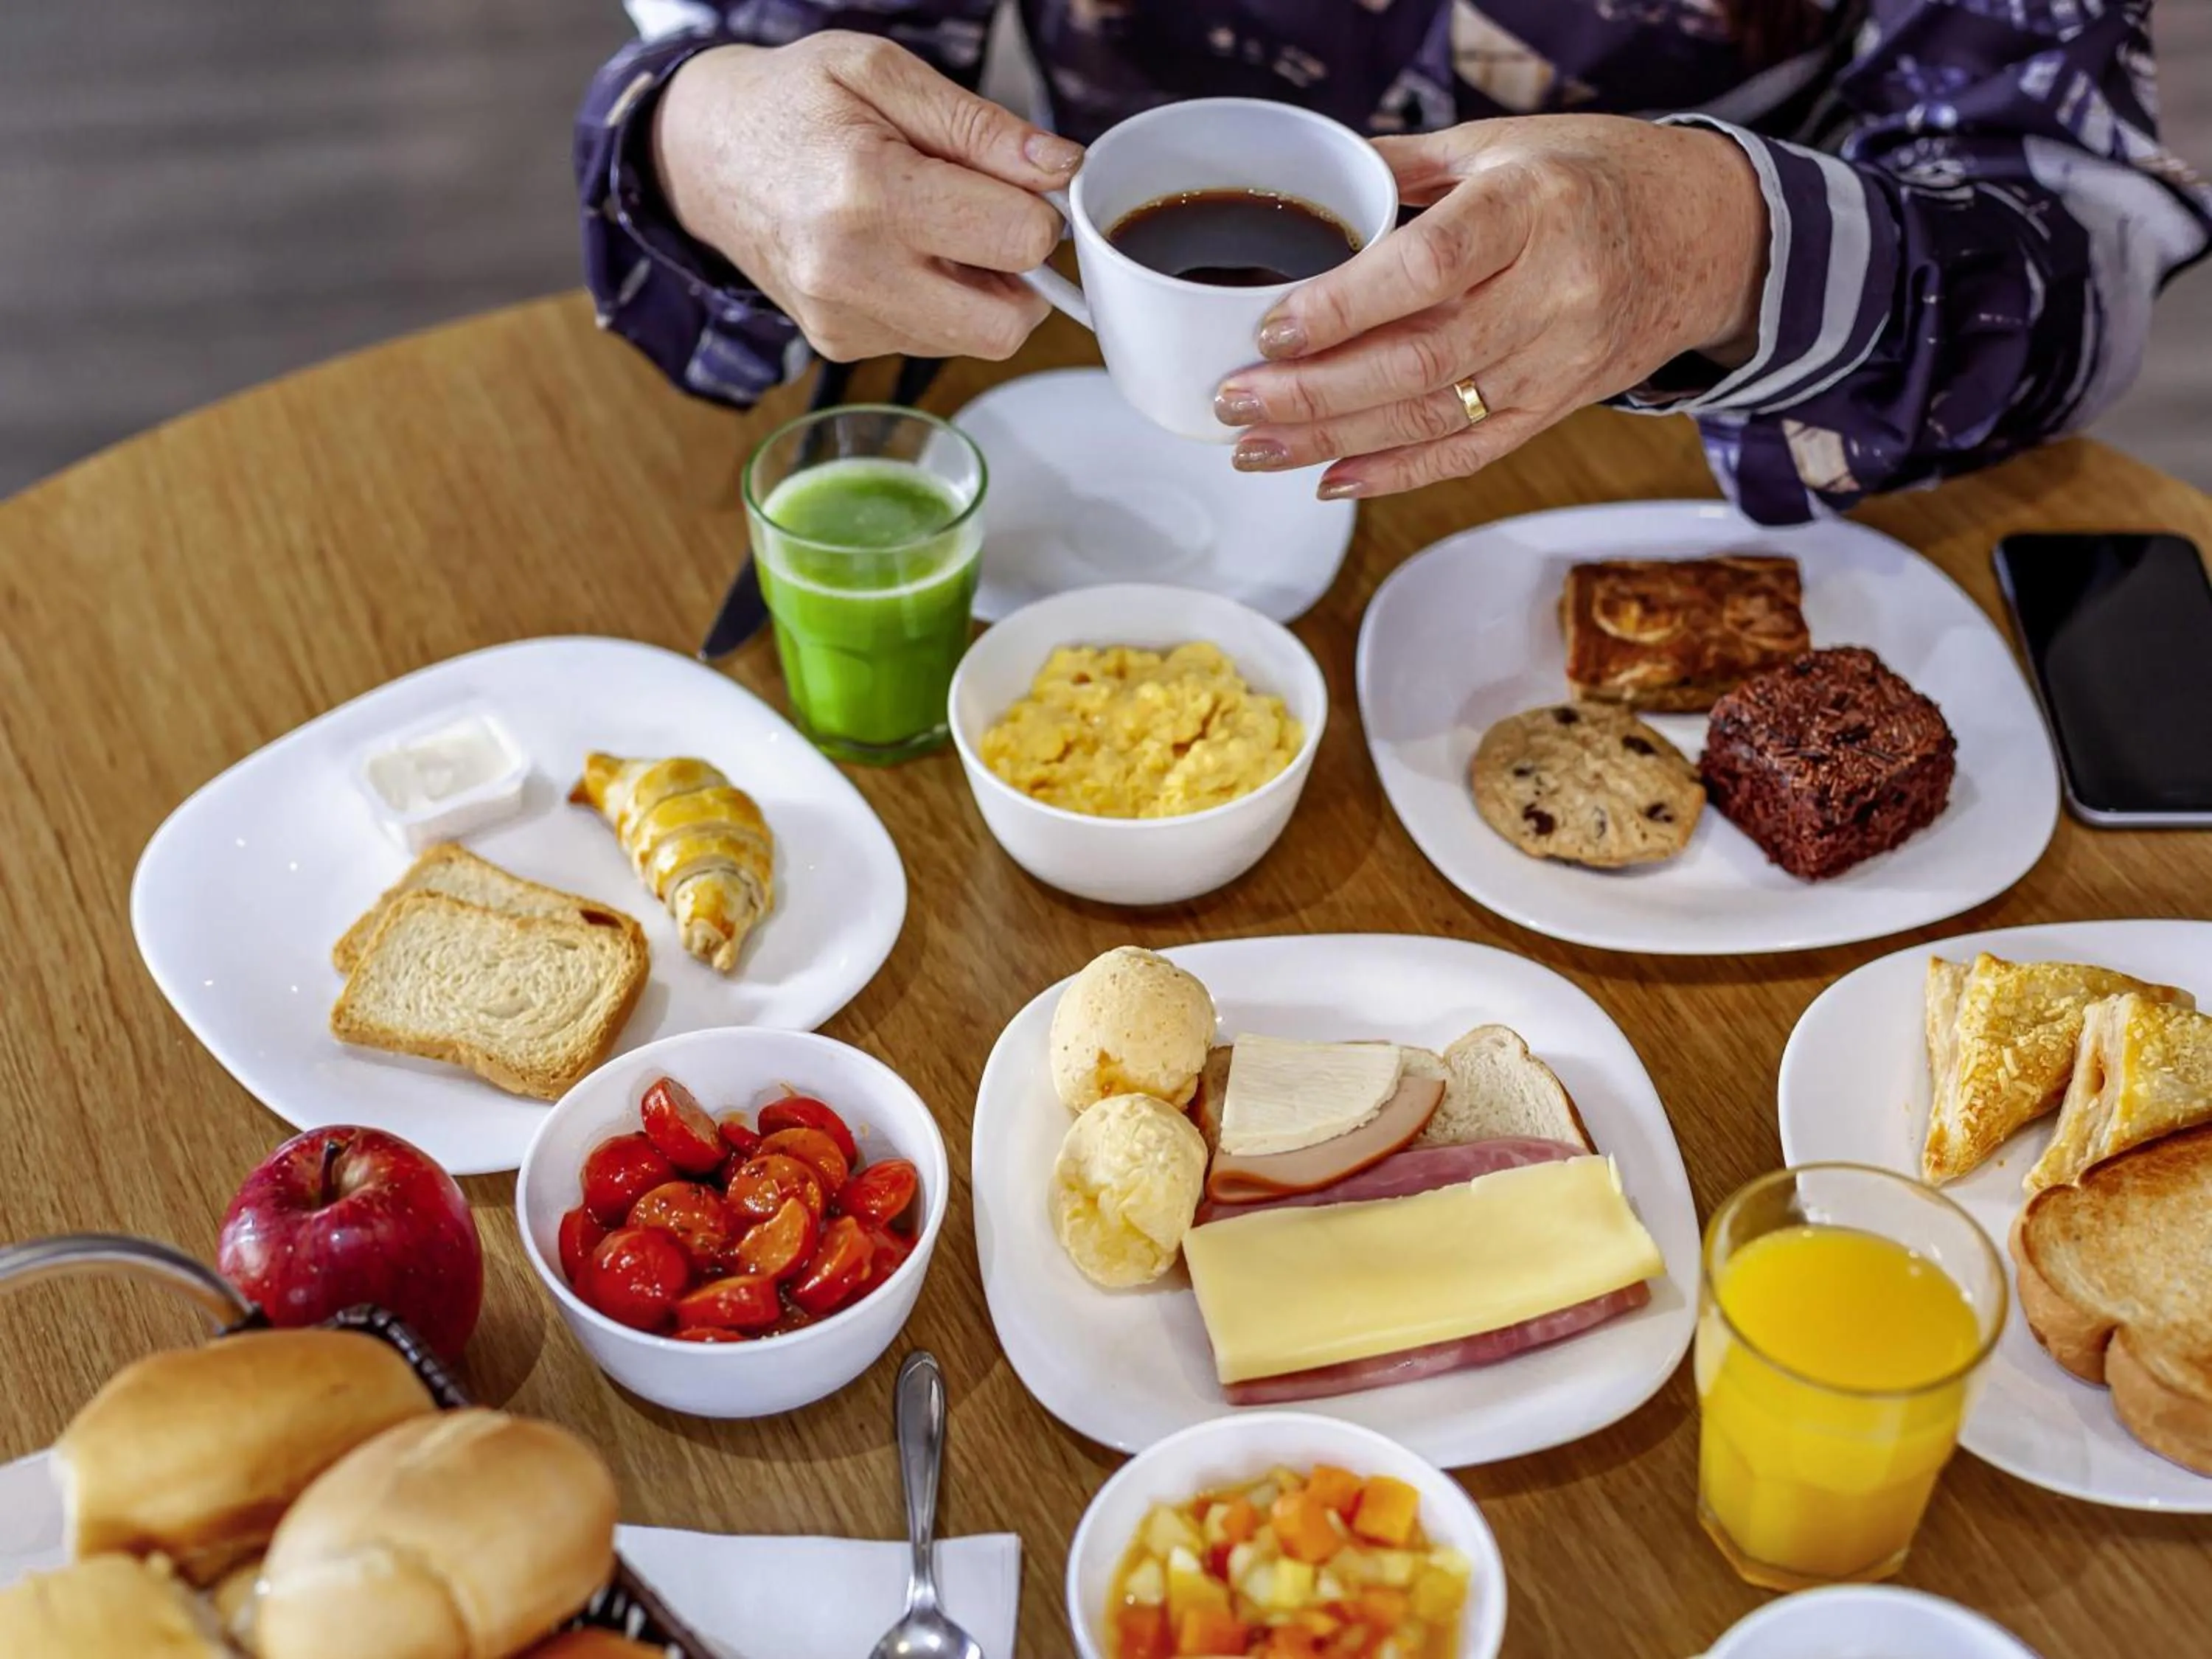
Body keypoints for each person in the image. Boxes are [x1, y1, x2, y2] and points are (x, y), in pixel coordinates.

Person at [576, 1, 2208, 524]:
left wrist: (1717, 242)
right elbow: (790, 61)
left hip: (1684, 462)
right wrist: (704, 135)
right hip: (1141, 500)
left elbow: (2080, 243)